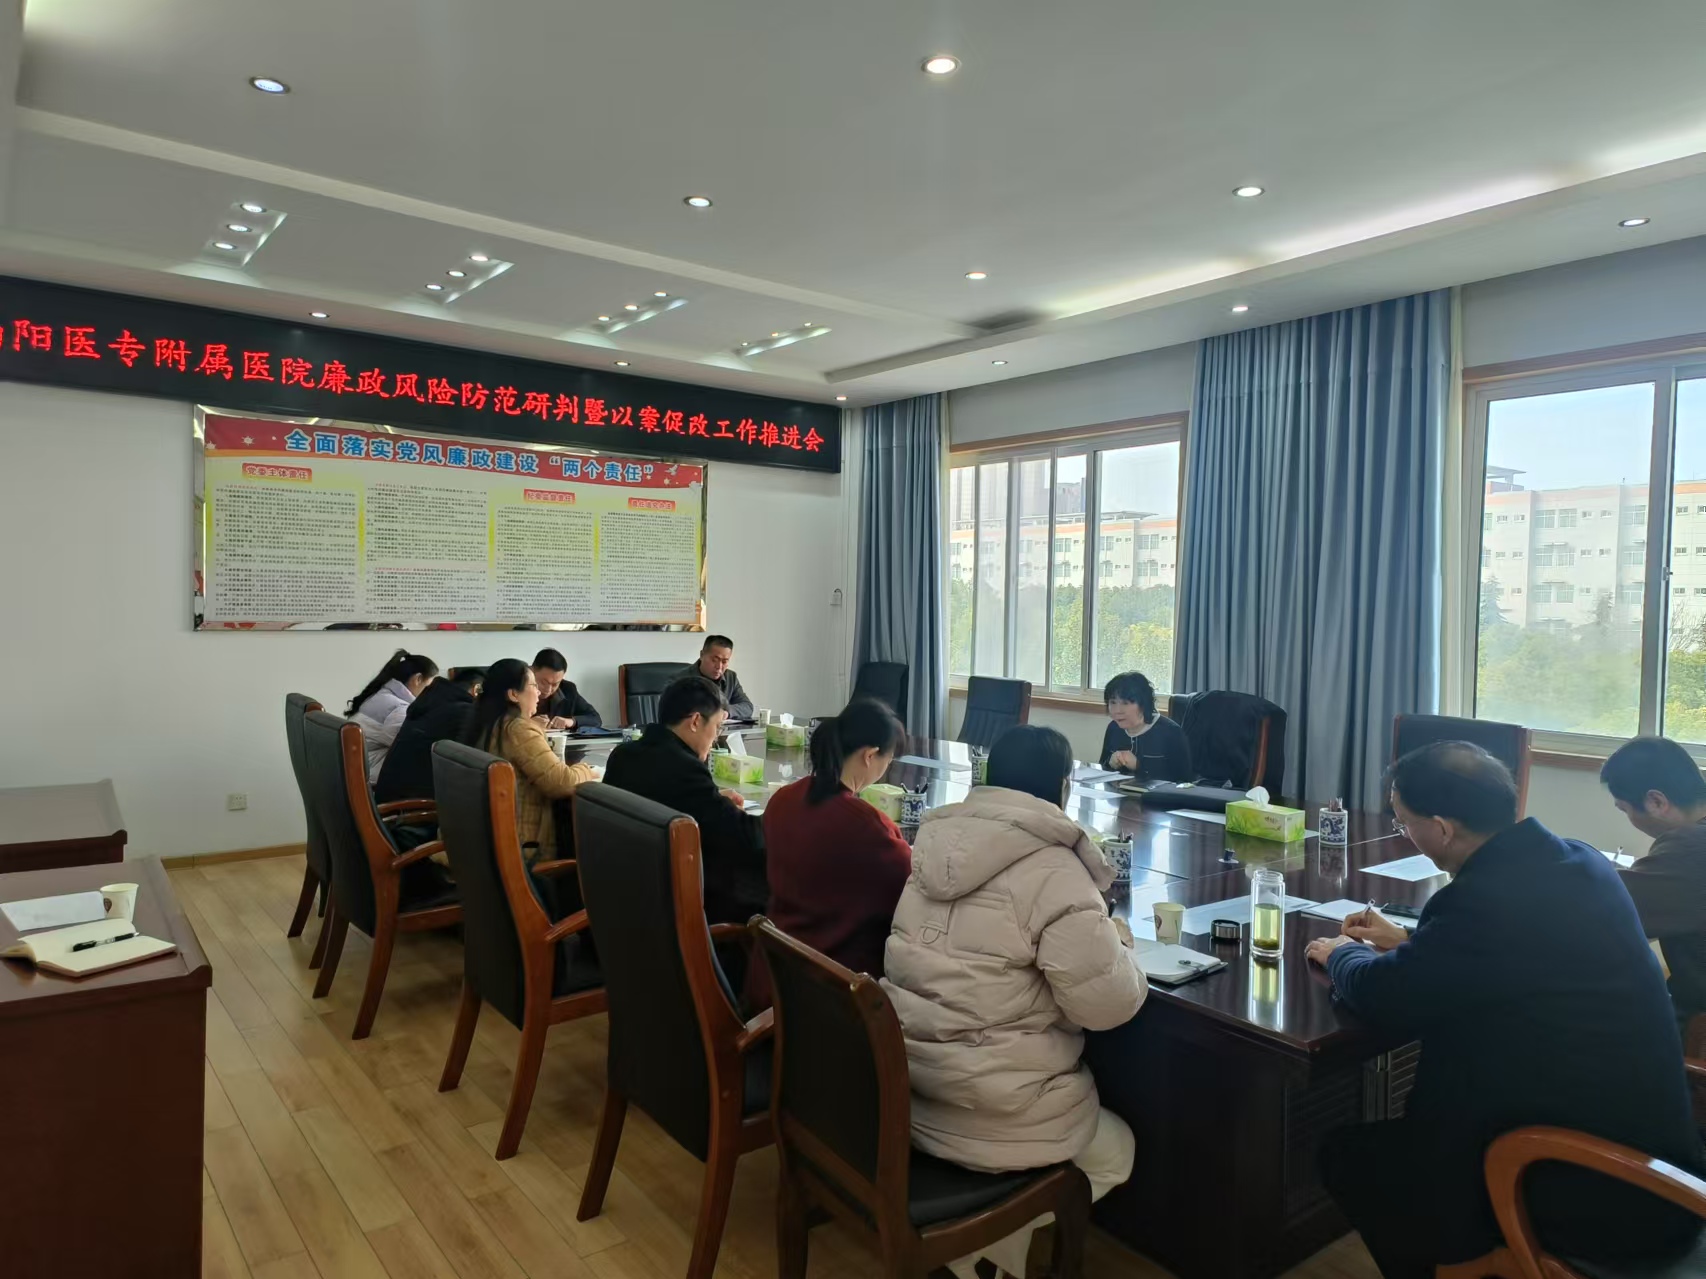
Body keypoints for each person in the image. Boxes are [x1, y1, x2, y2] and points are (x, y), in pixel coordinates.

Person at [1306, 741, 1702, 1279]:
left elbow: (1383, 995)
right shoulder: (1577, 859)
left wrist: (1341, 952)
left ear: (1441, 829)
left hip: (1596, 1190)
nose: (1406, 834)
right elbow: (1516, 952)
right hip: (1660, 1162)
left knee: (1352, 1158)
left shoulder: (1483, 899)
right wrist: (1413, 940)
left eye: (1405, 823)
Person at [883, 725, 1147, 1279]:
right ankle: (967, 1249)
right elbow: (1108, 1006)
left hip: (909, 1093)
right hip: (994, 1113)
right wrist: (1121, 945)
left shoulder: (932, 849)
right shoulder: (1056, 869)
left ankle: (977, 1255)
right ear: (1063, 787)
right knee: (1117, 1151)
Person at [756, 698, 912, 1003]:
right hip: (835, 993)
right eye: (888, 762)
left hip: (772, 975)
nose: (886, 770)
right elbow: (911, 888)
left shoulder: (783, 799)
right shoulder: (869, 827)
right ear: (870, 756)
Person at [602, 676, 766, 926]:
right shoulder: (685, 769)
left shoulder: (623, 755)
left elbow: (671, 797)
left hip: (628, 895)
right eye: (718, 727)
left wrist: (713, 798)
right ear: (696, 721)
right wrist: (783, 811)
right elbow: (746, 838)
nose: (716, 738)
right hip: (677, 905)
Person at [1601, 735, 1706, 1035]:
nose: (1630, 819)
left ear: (1656, 801)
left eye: (1625, 809)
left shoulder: (1690, 846)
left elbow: (1609, 913)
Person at [462, 659, 596, 863]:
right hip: (524, 848)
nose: (540, 693)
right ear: (513, 695)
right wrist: (587, 770)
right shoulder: (518, 729)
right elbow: (562, 782)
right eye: (534, 685)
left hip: (487, 841)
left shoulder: (489, 722)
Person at [375, 667, 484, 804]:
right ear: (476, 689)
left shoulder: (429, 702)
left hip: (389, 799)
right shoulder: (463, 712)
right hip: (414, 807)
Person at [347, 650, 438, 782]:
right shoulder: (398, 709)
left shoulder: (383, 695)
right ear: (418, 679)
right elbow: (414, 748)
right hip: (369, 778)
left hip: (357, 769)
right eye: (429, 686)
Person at [1097, 671, 1191, 782]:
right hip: (1117, 792)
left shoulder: (1171, 732)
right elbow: (1102, 770)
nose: (1117, 710)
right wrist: (1110, 763)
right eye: (1113, 702)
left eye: (1125, 703)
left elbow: (1184, 782)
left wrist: (1139, 766)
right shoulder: (1113, 728)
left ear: (1143, 704)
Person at [678, 634, 754, 721]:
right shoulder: (680, 680)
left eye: (724, 662)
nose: (719, 667)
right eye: (714, 660)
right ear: (702, 655)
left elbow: (747, 707)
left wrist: (726, 712)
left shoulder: (731, 677)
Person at [530, 648, 603, 731]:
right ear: (531, 671)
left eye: (555, 684)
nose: (548, 690)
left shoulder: (567, 689)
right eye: (544, 682)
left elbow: (595, 719)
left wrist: (571, 721)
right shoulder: (519, 688)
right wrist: (528, 723)